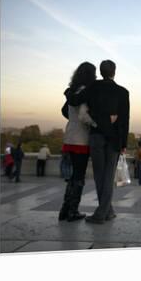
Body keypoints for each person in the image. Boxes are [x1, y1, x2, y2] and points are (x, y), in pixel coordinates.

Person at [66, 60, 130, 224]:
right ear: (114, 71)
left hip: (96, 137)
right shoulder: (123, 92)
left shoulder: (93, 87)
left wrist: (68, 91)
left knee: (99, 176)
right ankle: (106, 211)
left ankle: (102, 213)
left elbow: (74, 100)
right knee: (108, 177)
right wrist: (124, 144)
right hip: (115, 139)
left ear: (101, 72)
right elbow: (124, 120)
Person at [58, 62, 97, 222]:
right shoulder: (84, 92)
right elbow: (83, 116)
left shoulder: (72, 91)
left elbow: (64, 111)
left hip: (69, 137)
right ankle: (73, 211)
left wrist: (73, 122)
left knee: (72, 178)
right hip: (81, 140)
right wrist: (95, 124)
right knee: (79, 178)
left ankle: (65, 210)